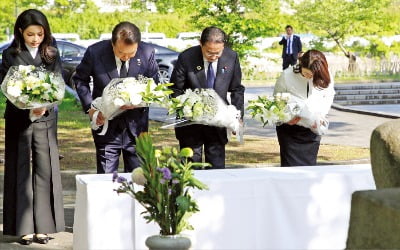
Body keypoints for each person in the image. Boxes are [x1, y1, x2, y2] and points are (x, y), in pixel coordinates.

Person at [0, 9, 65, 245]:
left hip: (46, 118)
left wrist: (44, 106)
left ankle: (43, 227)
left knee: (44, 167)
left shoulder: (52, 52)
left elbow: (58, 81)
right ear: (20, 32)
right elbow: (7, 84)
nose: (35, 38)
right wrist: (26, 105)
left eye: (39, 34)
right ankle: (22, 227)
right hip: (19, 117)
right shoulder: (10, 54)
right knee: (19, 168)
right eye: (30, 34)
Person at [73, 21, 159, 174]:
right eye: (121, 53)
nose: (126, 57)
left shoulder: (147, 52)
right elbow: (80, 79)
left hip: (136, 125)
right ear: (112, 44)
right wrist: (90, 109)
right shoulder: (95, 52)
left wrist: (140, 100)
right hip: (106, 122)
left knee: (138, 179)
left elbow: (154, 84)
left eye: (131, 54)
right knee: (106, 178)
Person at [170, 26, 245, 169]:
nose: (214, 57)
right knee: (190, 169)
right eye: (209, 52)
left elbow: (237, 89)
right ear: (201, 44)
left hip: (218, 125)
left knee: (216, 168)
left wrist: (237, 117)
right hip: (190, 124)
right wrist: (187, 108)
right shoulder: (187, 57)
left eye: (218, 53)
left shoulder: (231, 57)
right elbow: (175, 89)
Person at [273, 49, 335, 167]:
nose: (308, 77)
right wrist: (286, 117)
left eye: (311, 76)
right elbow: (277, 100)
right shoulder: (287, 75)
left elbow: (329, 95)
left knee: (309, 168)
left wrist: (321, 115)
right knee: (290, 169)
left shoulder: (324, 76)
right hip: (289, 130)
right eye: (305, 73)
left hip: (312, 128)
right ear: (301, 65)